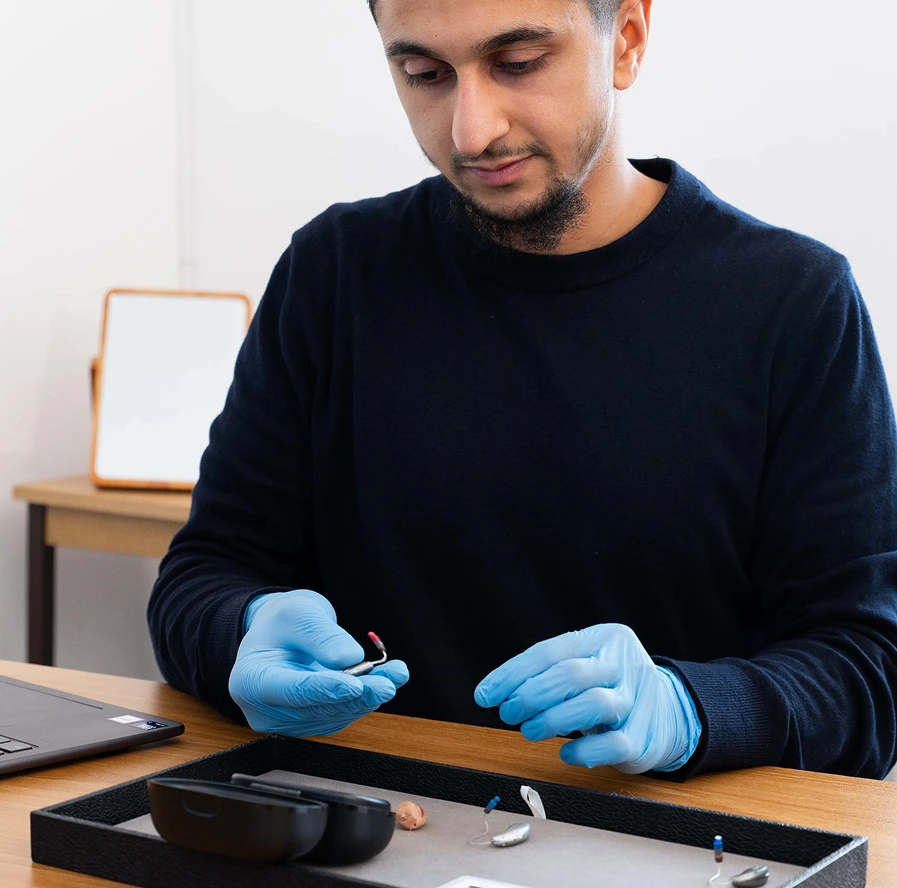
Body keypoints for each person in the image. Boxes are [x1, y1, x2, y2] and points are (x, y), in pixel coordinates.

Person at [148, 0, 897, 779]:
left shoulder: (792, 301)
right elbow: (203, 574)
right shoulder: (335, 272)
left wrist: (693, 708)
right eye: (424, 74)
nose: (471, 131)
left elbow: (869, 671)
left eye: (518, 63)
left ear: (627, 42)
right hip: (378, 827)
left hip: (667, 843)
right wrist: (241, 630)